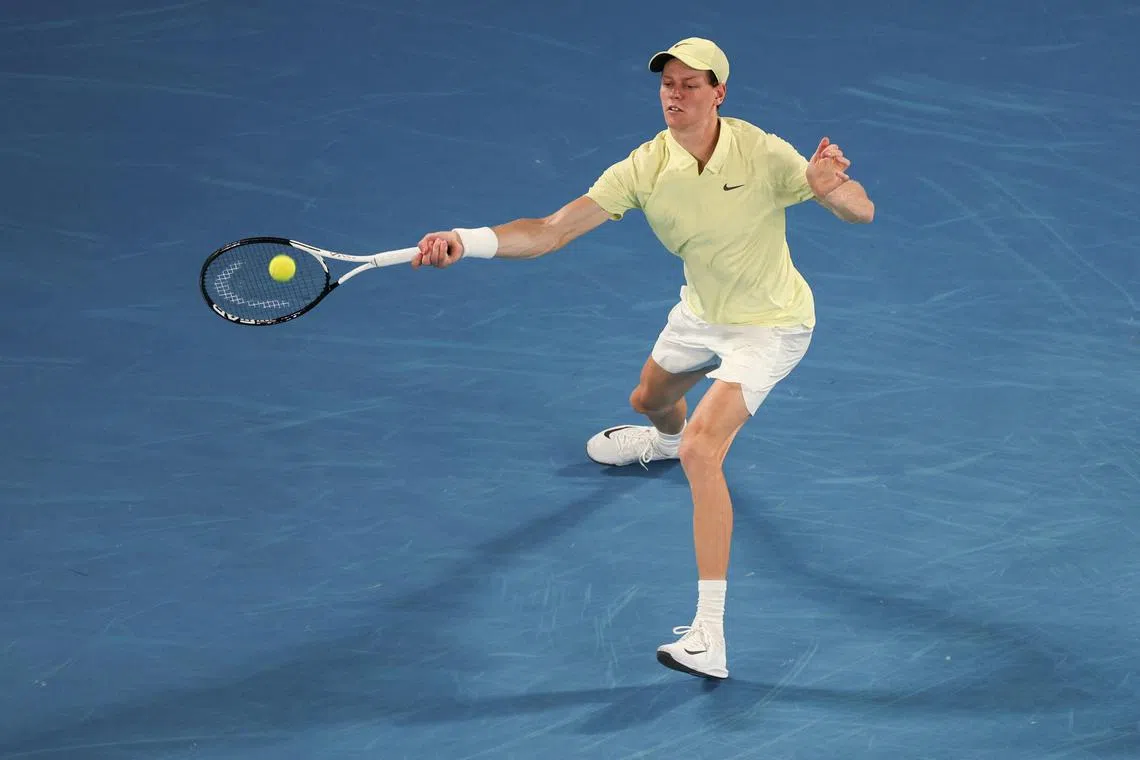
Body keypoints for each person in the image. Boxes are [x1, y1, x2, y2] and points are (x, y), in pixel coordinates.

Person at [413, 37, 875, 680]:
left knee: (702, 450)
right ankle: (660, 440)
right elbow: (551, 230)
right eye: (667, 84)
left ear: (719, 93)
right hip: (701, 313)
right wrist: (467, 240)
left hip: (771, 326)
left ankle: (709, 634)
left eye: (690, 84)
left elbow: (862, 211)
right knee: (649, 403)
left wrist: (830, 189)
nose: (674, 94)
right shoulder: (644, 167)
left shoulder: (762, 150)